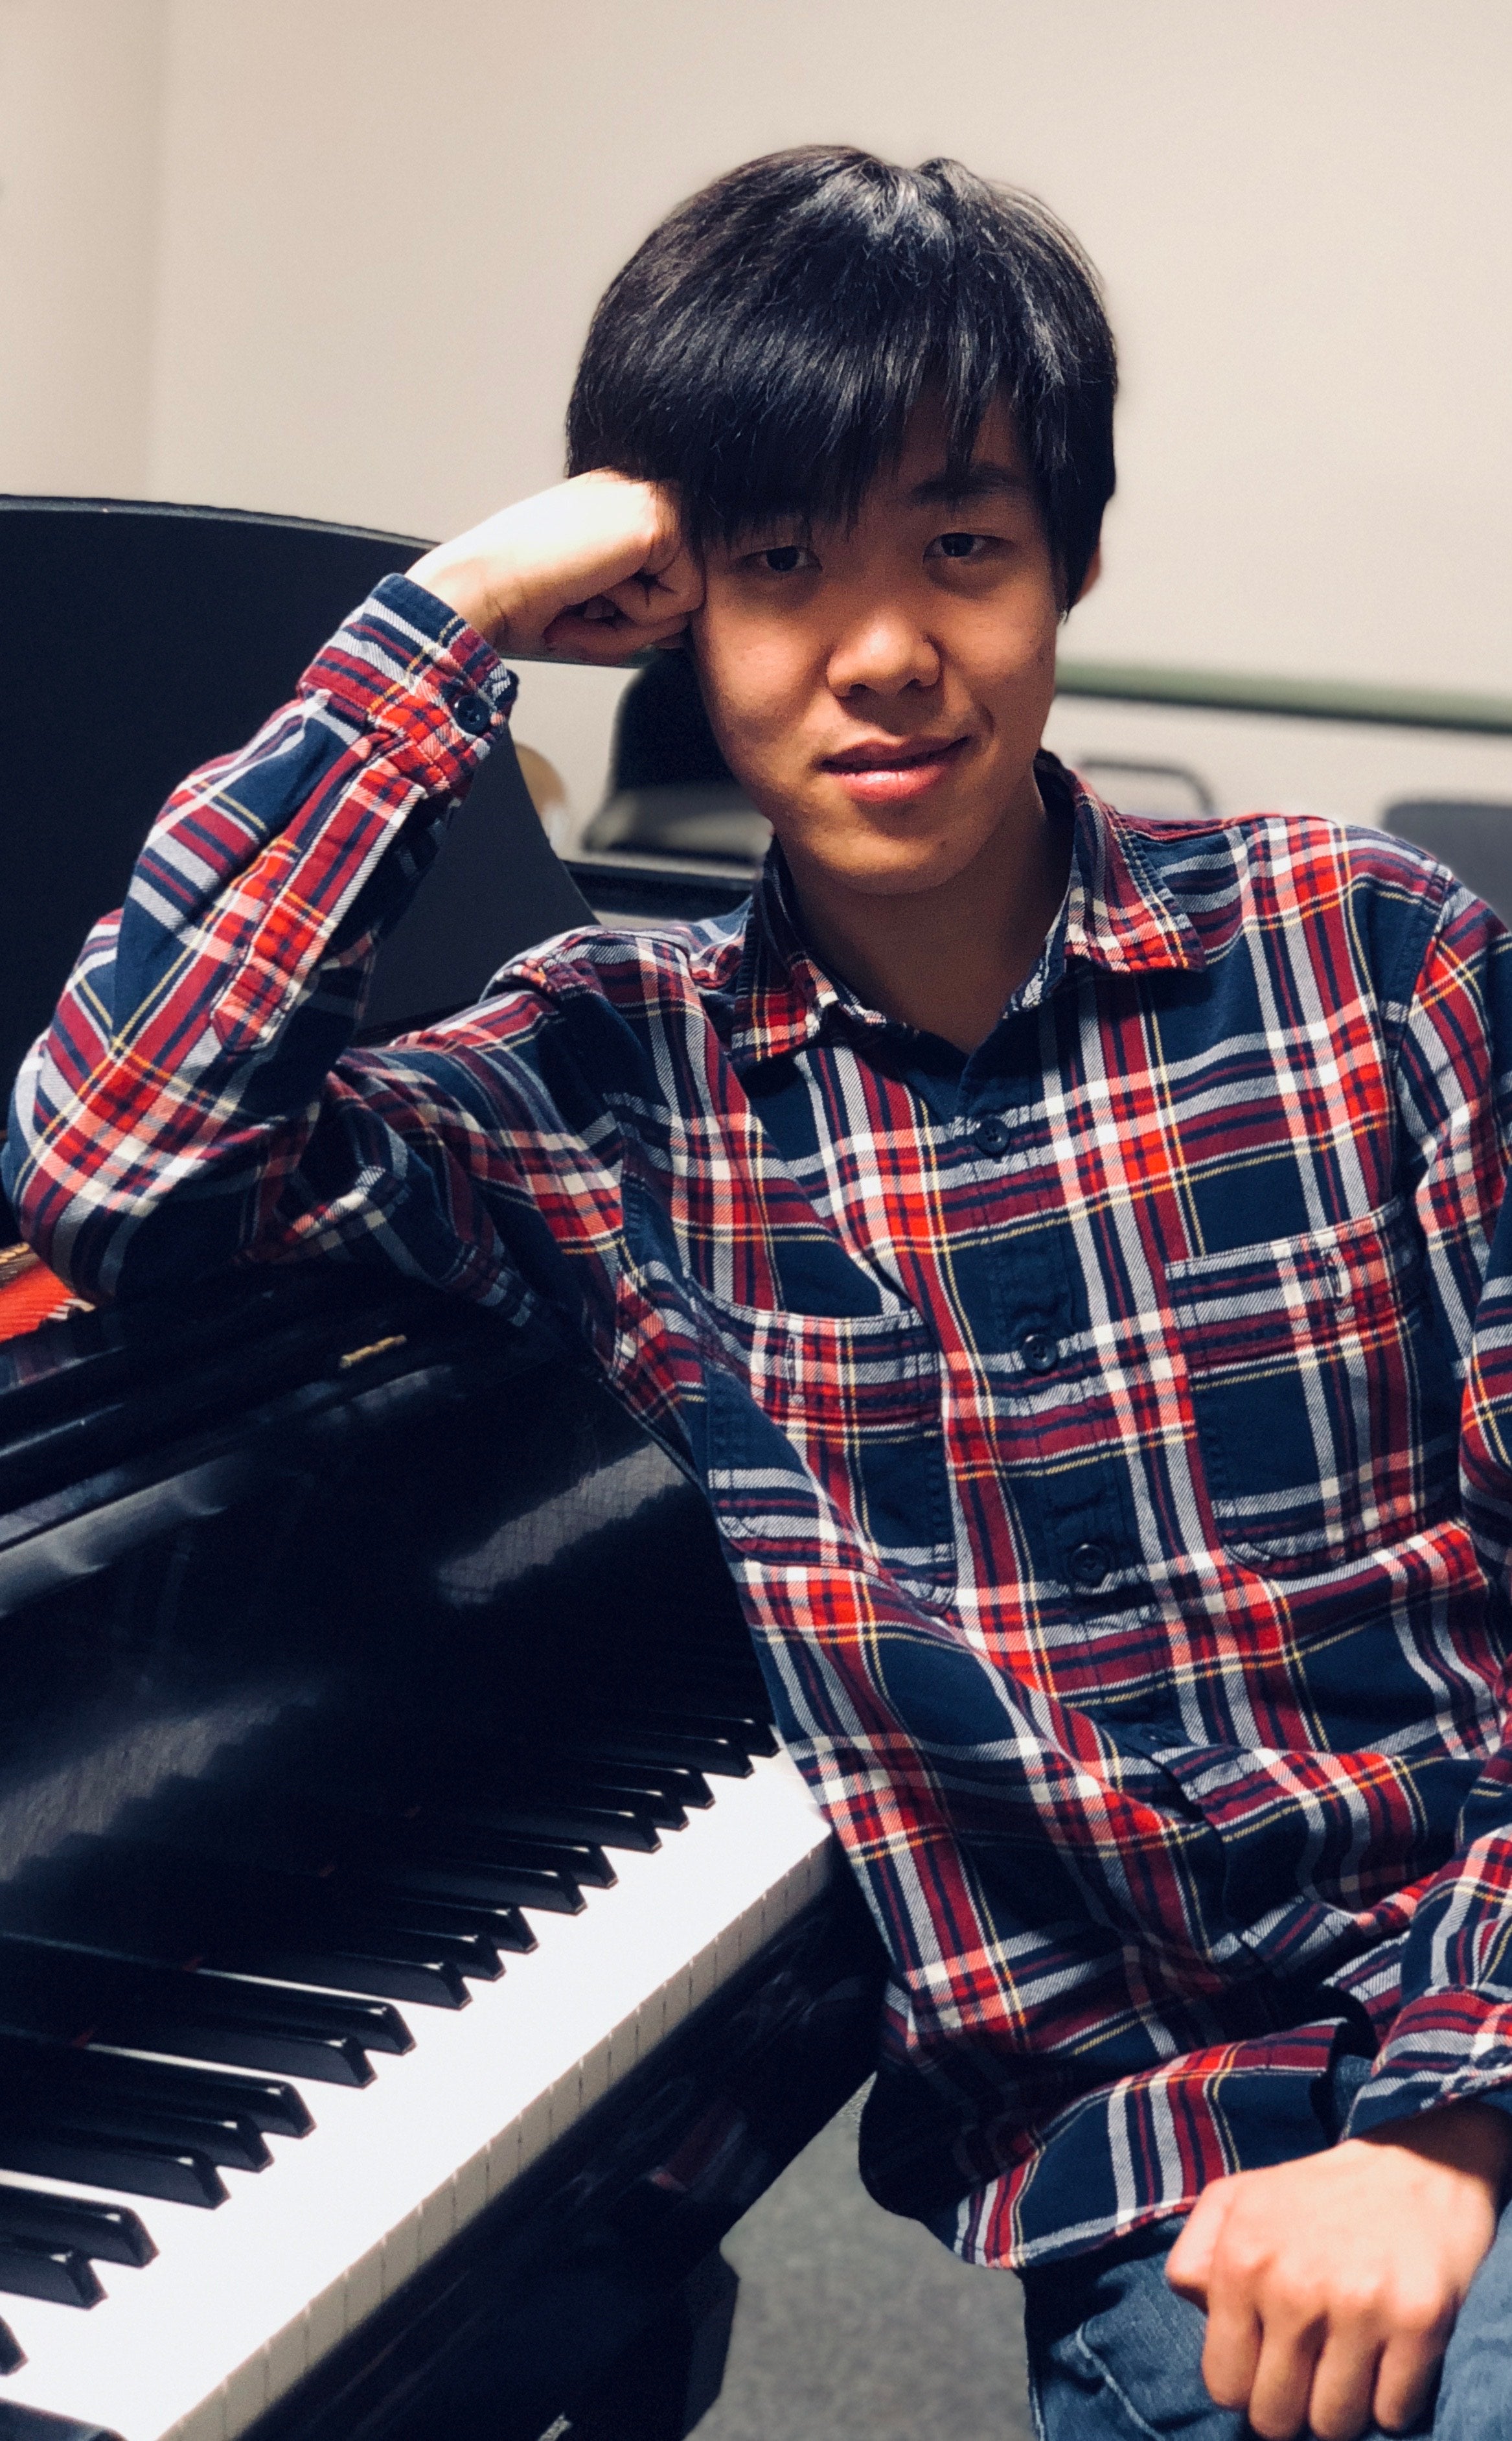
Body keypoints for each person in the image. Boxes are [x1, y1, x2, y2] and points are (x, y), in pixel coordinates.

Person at [8, 145, 1512, 2441]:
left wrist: (1444, 2125)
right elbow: (119, 1176)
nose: (885, 650)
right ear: (676, 611)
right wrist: (457, 613)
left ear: (1071, 566)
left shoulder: (1379, 964)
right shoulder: (609, 1077)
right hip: (1171, 2180)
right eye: (782, 566)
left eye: (964, 548)